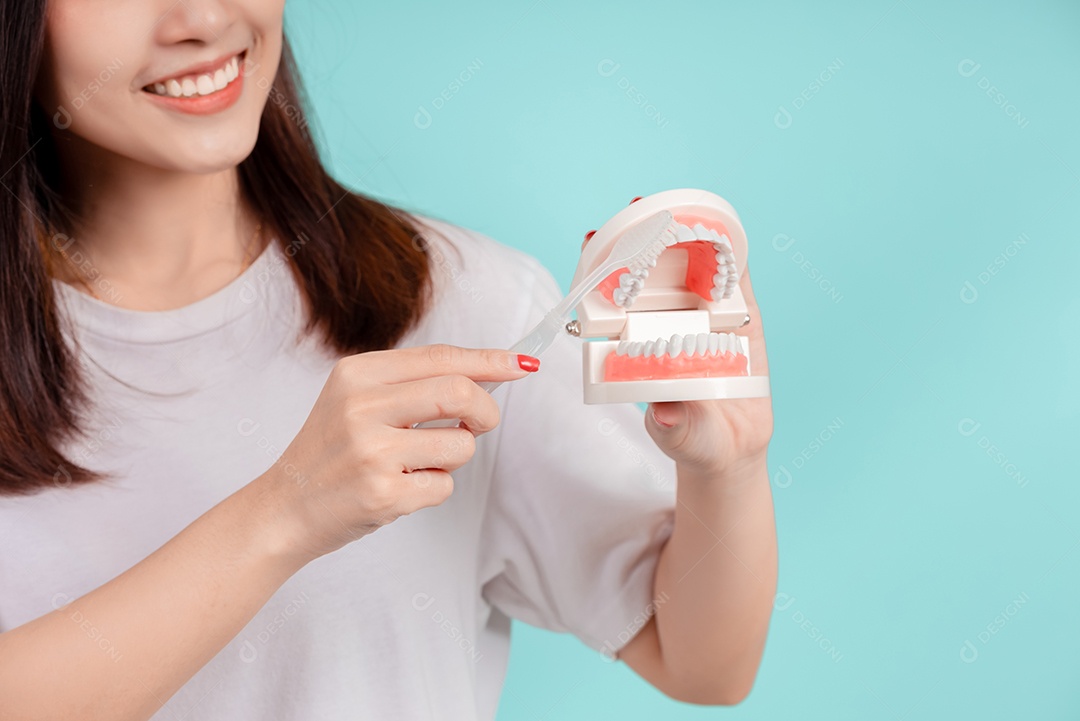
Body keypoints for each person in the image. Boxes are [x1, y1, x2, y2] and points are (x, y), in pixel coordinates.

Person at [0, 1, 778, 719]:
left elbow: (702, 662)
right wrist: (285, 511)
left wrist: (729, 471)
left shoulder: (468, 300)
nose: (202, 17)